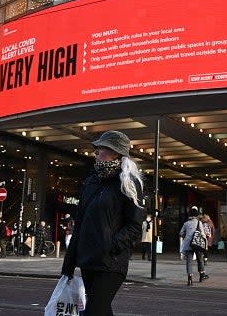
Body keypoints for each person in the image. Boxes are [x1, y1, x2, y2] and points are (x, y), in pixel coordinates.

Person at [61, 130, 145, 316]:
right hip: (88, 260)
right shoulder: (92, 181)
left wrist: (111, 245)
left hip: (111, 262)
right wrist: (69, 262)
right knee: (100, 310)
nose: (95, 152)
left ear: (115, 153)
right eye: (96, 148)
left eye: (101, 148)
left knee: (94, 311)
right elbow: (81, 222)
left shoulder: (128, 183)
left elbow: (134, 225)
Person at [180, 207, 209, 286]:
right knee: (200, 259)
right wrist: (205, 245)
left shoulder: (186, 223)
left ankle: (190, 279)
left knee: (189, 262)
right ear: (196, 216)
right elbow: (203, 234)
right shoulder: (199, 223)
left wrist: (187, 235)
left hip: (188, 244)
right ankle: (201, 275)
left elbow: (181, 233)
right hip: (197, 244)